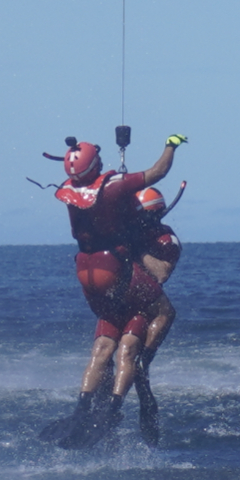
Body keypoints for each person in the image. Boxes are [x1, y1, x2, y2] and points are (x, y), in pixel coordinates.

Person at [40, 133, 187, 449]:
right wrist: (171, 144)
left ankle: (85, 410)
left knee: (105, 347)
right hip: (119, 280)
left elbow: (159, 269)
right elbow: (157, 172)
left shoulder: (70, 190)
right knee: (148, 329)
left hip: (89, 274)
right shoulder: (115, 191)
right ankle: (112, 407)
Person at [126, 186, 183, 445]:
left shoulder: (166, 241)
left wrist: (138, 248)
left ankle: (149, 428)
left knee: (138, 369)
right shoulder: (127, 231)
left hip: (148, 307)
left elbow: (161, 274)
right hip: (123, 302)